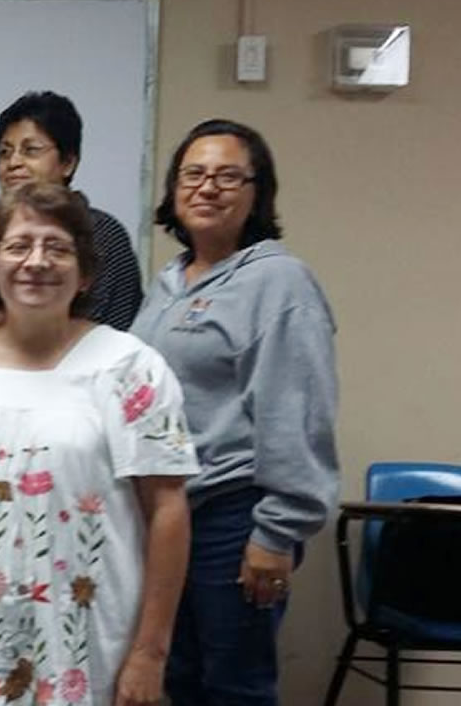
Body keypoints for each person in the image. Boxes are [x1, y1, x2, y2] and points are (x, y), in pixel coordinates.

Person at [0, 182, 198, 706]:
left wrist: (151, 652)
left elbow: (168, 512)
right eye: (18, 246)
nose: (37, 262)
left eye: (57, 247)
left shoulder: (131, 367)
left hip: (84, 643)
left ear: (86, 271)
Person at [131, 119, 339, 706]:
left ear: (257, 193)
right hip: (170, 515)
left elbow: (298, 412)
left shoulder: (279, 283)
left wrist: (276, 533)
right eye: (193, 174)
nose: (207, 187)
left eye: (228, 176)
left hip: (234, 517)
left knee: (233, 688)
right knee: (179, 680)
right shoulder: (169, 282)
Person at [0, 91, 142, 330]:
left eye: (31, 150)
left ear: (68, 163)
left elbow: (106, 327)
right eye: (4, 152)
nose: (13, 163)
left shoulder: (100, 232)